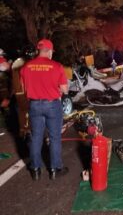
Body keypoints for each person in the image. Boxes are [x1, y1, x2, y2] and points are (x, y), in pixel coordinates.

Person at [20, 39, 69, 181]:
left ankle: (35, 170)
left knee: (36, 137)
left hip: (34, 105)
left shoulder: (26, 67)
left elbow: (24, 89)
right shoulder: (56, 66)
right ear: (49, 51)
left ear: (39, 50)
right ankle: (55, 169)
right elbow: (65, 90)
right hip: (52, 105)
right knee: (54, 138)